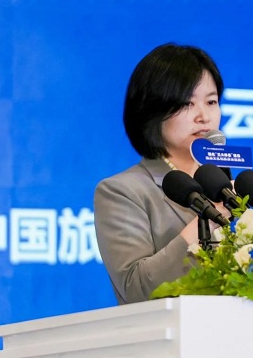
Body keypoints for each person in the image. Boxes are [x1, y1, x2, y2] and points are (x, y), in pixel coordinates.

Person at [94, 43, 229, 304]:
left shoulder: (235, 189)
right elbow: (136, 288)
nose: (204, 116)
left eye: (211, 102)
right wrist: (208, 219)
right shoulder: (122, 191)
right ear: (152, 111)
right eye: (187, 103)